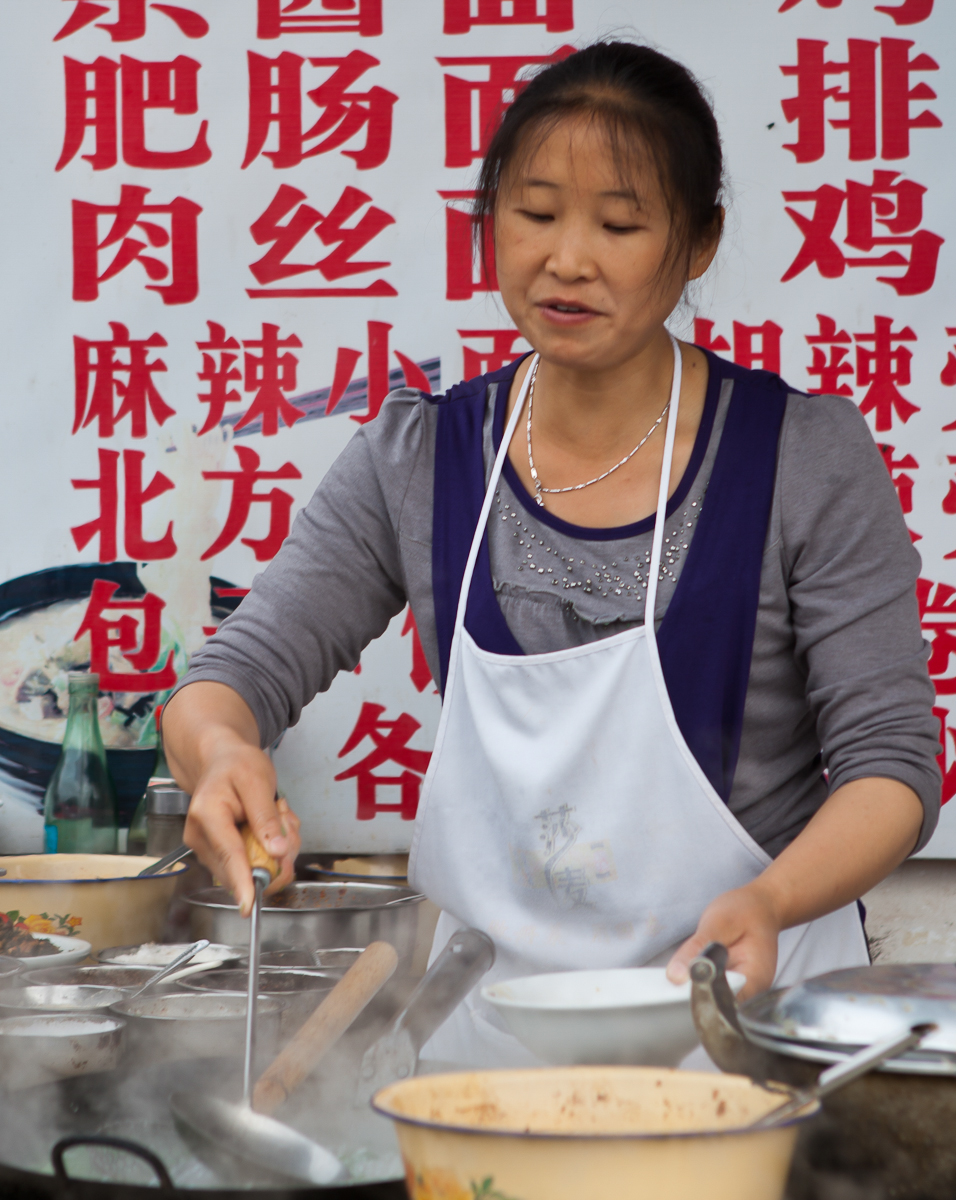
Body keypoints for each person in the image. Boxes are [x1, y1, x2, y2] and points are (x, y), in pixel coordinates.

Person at [163, 41, 940, 1067]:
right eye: (533, 214)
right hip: (489, 1057)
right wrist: (222, 753)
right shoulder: (421, 457)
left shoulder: (802, 458)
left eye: (619, 225)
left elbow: (892, 768)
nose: (567, 260)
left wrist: (770, 898)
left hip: (745, 1029)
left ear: (699, 241)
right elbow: (233, 677)